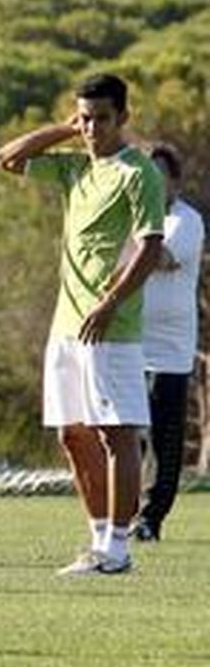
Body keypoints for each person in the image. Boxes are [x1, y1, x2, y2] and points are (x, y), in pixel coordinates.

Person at [0, 73, 165, 576]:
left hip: (109, 327)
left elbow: (151, 246)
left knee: (117, 434)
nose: (93, 128)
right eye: (85, 118)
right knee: (74, 435)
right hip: (66, 325)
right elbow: (8, 158)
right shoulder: (75, 170)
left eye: (102, 119)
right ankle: (97, 543)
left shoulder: (138, 173)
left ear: (124, 119)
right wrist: (66, 130)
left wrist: (111, 302)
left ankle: (118, 548)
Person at [134, 144, 203, 542]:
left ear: (174, 180)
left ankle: (151, 518)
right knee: (125, 433)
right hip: (127, 343)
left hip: (169, 351)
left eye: (160, 176)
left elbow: (159, 258)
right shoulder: (134, 219)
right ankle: (120, 512)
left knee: (164, 438)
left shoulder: (186, 220)